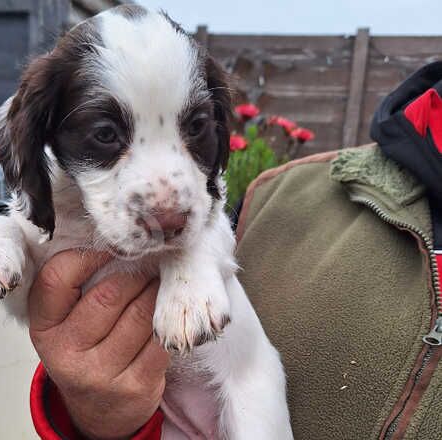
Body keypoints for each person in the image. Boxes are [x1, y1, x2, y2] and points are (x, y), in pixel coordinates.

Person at [27, 61, 442, 439]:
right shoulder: (275, 196)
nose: (166, 207)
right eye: (105, 134)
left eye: (194, 129)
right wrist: (92, 418)